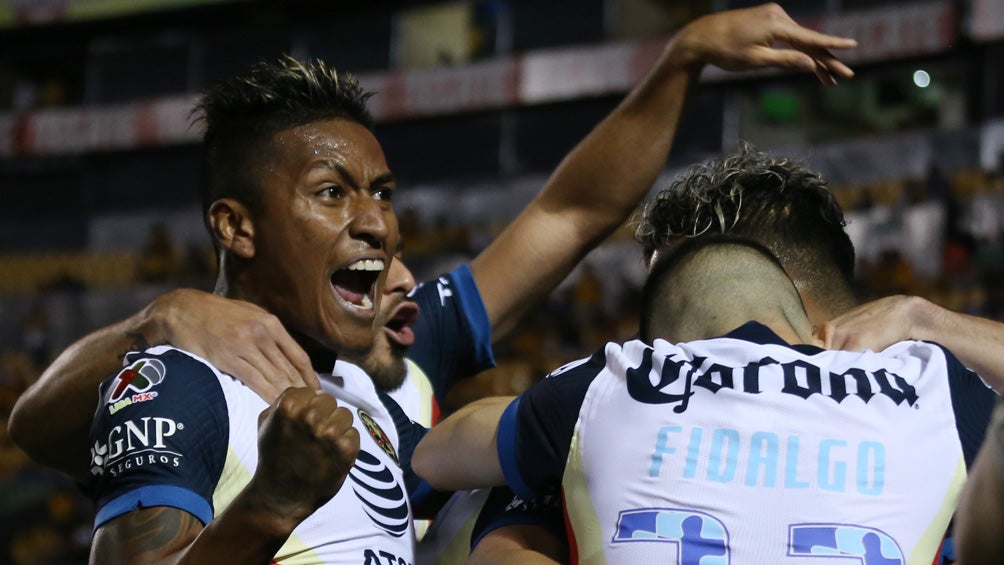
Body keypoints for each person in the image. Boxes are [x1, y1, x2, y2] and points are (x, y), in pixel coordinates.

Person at [413, 236, 996, 563]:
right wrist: (926, 317)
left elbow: (434, 457)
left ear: (661, 341)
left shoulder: (619, 379)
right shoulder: (923, 379)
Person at [87, 57, 420, 563]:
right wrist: (271, 505)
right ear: (237, 229)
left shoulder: (361, 392)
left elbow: (500, 445)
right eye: (332, 192)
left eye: (382, 193)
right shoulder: (178, 383)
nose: (378, 222)